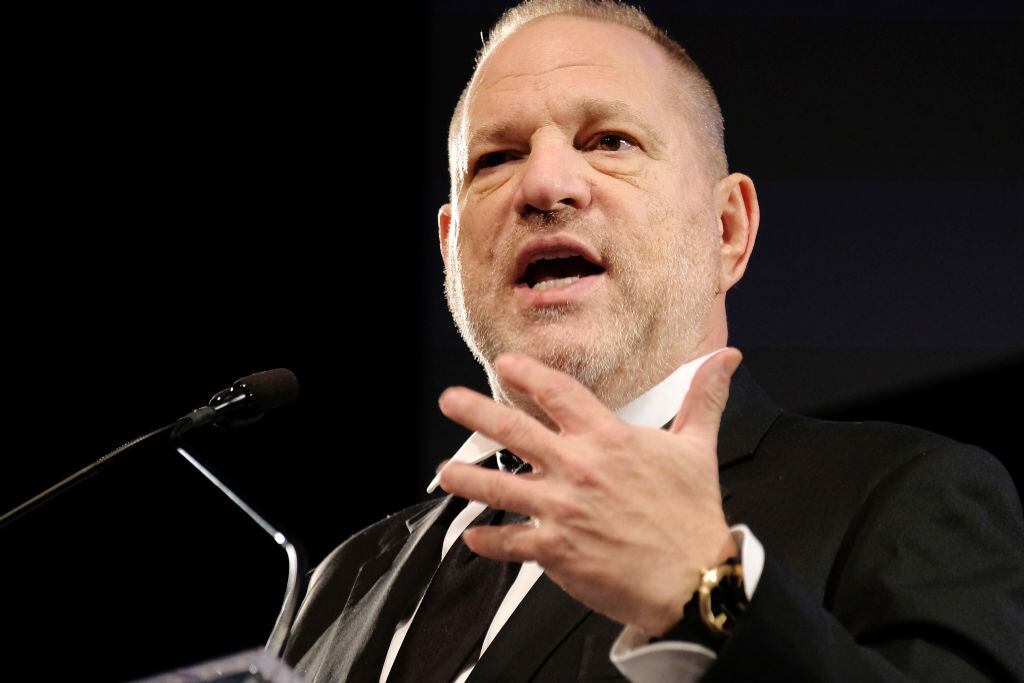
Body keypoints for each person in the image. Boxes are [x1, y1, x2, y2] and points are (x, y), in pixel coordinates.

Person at [283, 1, 1024, 681]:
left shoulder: (899, 495)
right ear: (449, 250)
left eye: (609, 141)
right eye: (496, 158)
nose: (544, 182)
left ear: (727, 230)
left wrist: (703, 592)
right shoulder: (341, 580)